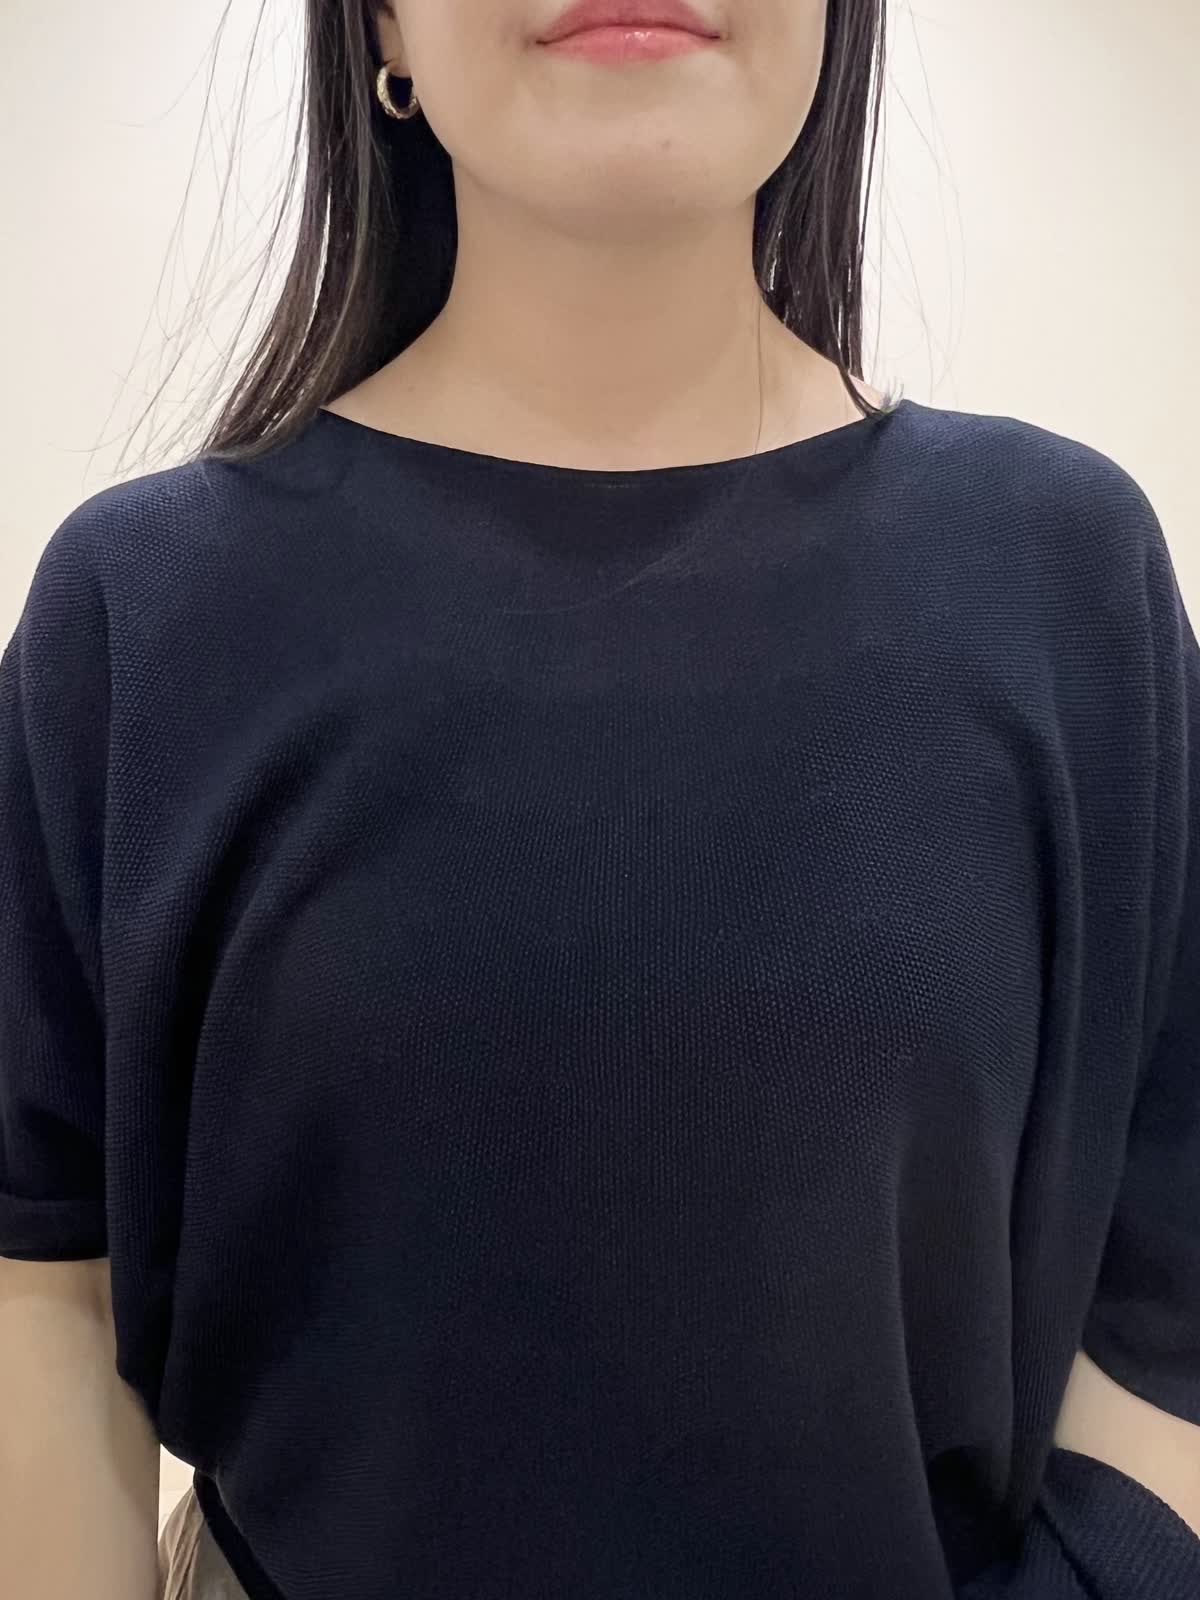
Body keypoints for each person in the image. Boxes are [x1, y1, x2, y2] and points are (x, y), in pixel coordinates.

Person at [1, 2, 1198, 1597]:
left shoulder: (1066, 584)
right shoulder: (141, 618)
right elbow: (44, 1274)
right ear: (383, 30)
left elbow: (1165, 1274)